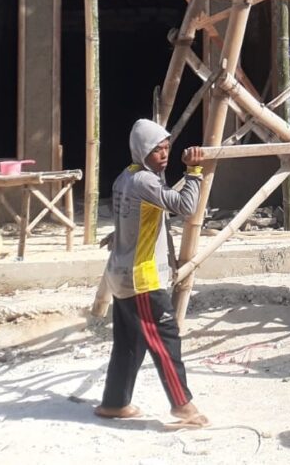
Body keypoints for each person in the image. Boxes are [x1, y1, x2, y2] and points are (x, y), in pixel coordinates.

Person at [96, 119, 210, 428]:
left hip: (121, 275)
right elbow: (186, 206)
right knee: (165, 341)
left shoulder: (125, 177)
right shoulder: (144, 181)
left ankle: (114, 403)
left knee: (129, 344)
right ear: (141, 150)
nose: (164, 155)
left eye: (166, 148)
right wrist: (194, 172)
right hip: (141, 279)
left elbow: (128, 220)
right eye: (157, 149)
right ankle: (183, 407)